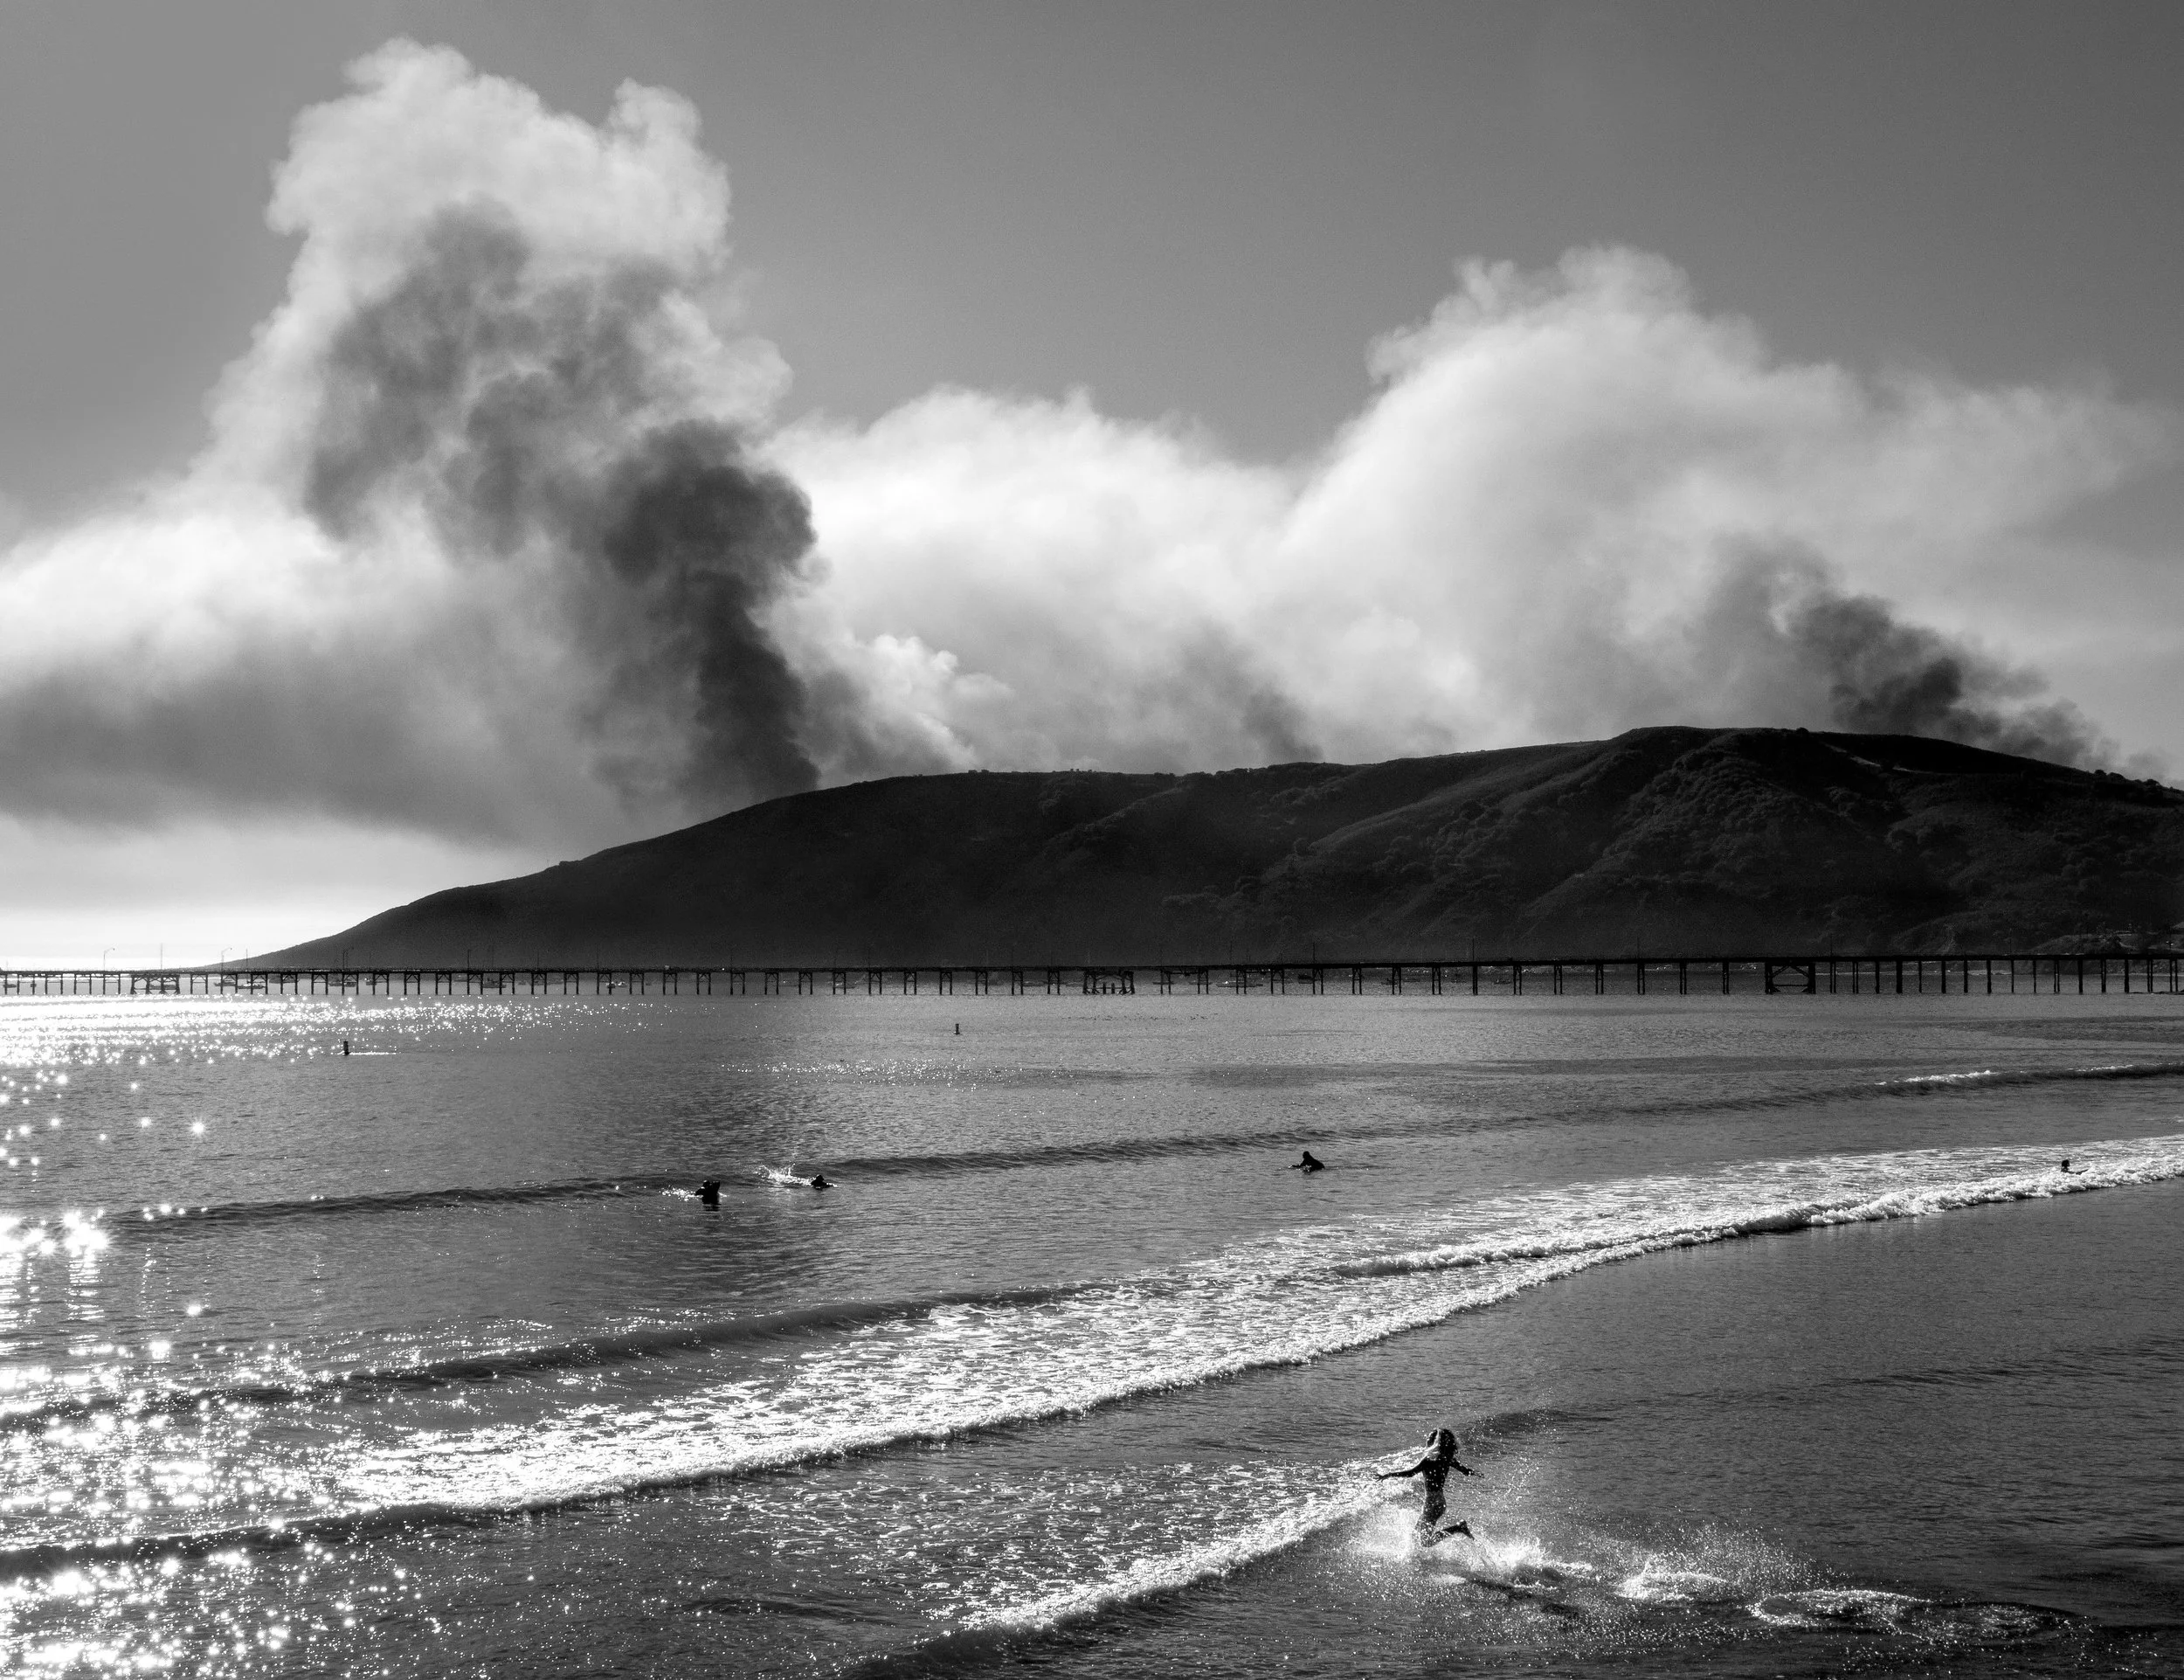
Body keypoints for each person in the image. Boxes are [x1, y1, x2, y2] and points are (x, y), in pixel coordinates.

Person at [1378, 1428, 1475, 1540]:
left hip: (1433, 1503)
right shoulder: (1447, 1458)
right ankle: (1457, 1529)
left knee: (1425, 1542)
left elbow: (1410, 1473)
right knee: (1415, 1537)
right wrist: (1473, 1472)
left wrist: (1390, 1474)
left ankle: (1458, 1528)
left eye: (1429, 1439)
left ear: (1434, 1442)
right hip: (1437, 1502)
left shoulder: (1428, 1459)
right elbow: (1465, 1471)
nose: (1426, 1441)